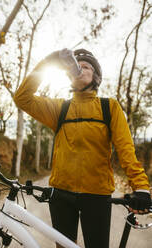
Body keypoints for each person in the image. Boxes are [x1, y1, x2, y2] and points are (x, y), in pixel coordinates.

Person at [13, 48, 151, 248]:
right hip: (61, 194)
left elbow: (126, 149)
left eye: (85, 66)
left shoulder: (109, 107)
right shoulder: (61, 108)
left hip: (97, 196)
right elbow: (22, 98)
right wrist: (46, 63)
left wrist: (141, 187)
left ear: (96, 76)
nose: (78, 69)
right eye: (75, 66)